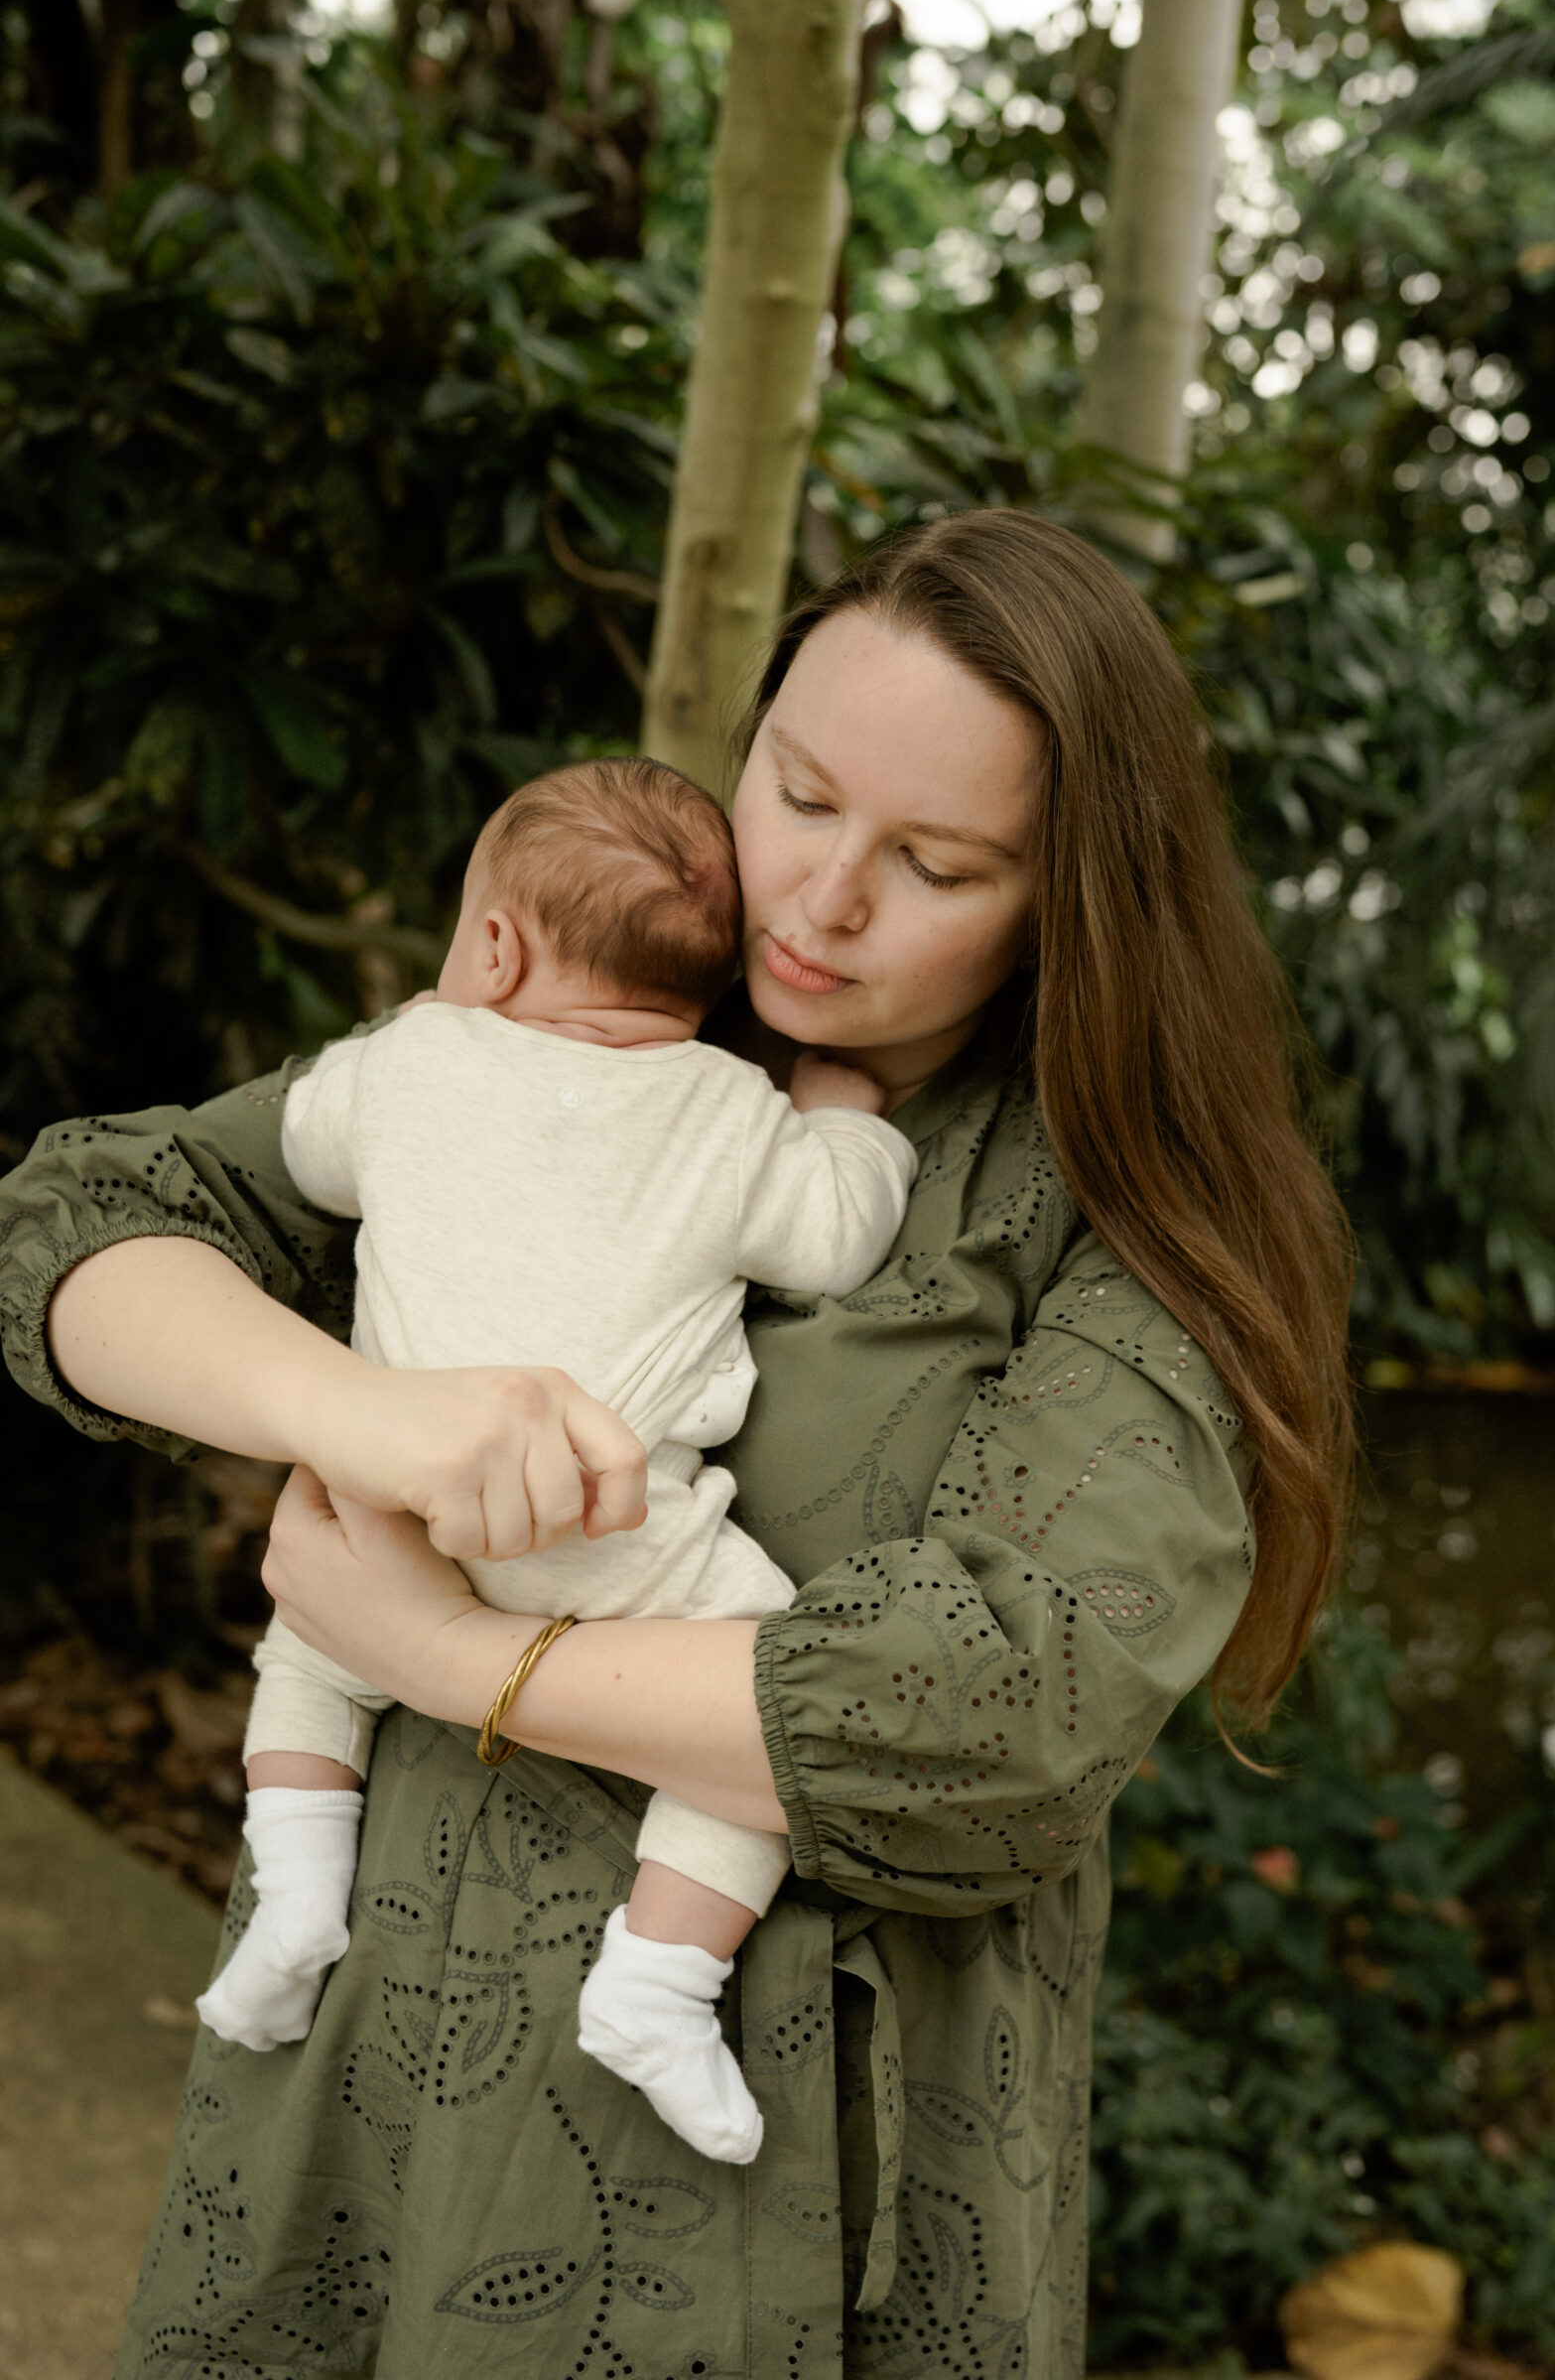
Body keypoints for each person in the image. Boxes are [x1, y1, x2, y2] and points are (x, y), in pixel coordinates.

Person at [0, 508, 1353, 2378]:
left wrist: (445, 1652)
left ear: (1073, 896)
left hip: (771, 2193)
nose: (820, 903)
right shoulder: (580, 1011)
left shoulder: (1126, 1216)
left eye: (936, 862)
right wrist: (360, 1412)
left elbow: (1012, 1706)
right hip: (370, 2084)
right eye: (796, 795)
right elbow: (84, 1223)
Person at [198, 755, 916, 2175]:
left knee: (312, 1654)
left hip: (399, 1507)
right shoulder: (727, 1110)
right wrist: (848, 1114)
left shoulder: (407, 1065)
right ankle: (659, 1979)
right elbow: (839, 1237)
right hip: (621, 1532)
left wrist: (400, 1040)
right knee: (760, 1703)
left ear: (497, 942)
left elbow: (302, 1146)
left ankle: (294, 1897)